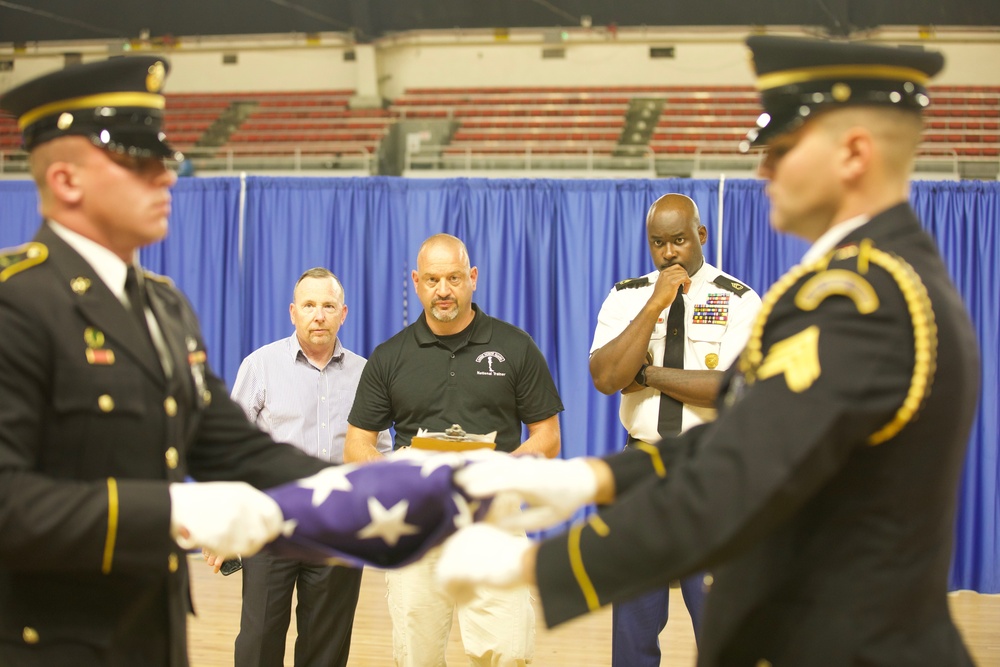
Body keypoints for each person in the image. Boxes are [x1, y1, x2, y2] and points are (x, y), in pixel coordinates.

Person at [436, 35, 980, 667]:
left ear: (853, 154)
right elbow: (742, 434)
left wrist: (536, 563)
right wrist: (587, 477)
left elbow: (742, 467)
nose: (763, 171)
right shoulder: (863, 280)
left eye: (780, 149)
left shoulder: (862, 299)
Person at [0, 57, 333, 666]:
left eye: (166, 160)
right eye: (138, 162)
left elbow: (232, 445)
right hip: (45, 645)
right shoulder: (15, 302)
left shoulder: (163, 305)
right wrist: (180, 508)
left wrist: (365, 495)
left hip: (152, 636)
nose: (168, 177)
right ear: (68, 181)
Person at [344, 233, 564, 667]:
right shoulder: (389, 357)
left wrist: (501, 470)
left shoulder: (515, 346)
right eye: (432, 279)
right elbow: (357, 444)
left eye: (454, 278)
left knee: (506, 654)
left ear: (473, 278)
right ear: (416, 282)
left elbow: (548, 437)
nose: (443, 290)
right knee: (417, 656)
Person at [589, 193, 761, 665]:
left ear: (701, 236)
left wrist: (645, 375)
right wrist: (653, 307)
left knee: (718, 619)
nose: (669, 253)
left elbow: (731, 389)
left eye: (679, 240)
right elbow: (606, 378)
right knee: (634, 625)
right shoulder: (626, 297)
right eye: (658, 243)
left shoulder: (738, 299)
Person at [223, 268, 392, 667]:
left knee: (325, 648)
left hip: (339, 531)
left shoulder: (367, 375)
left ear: (343, 313)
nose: (319, 315)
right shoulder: (259, 366)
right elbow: (230, 449)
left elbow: (378, 450)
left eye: (328, 306)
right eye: (309, 305)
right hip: (271, 526)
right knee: (259, 640)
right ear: (293, 312)